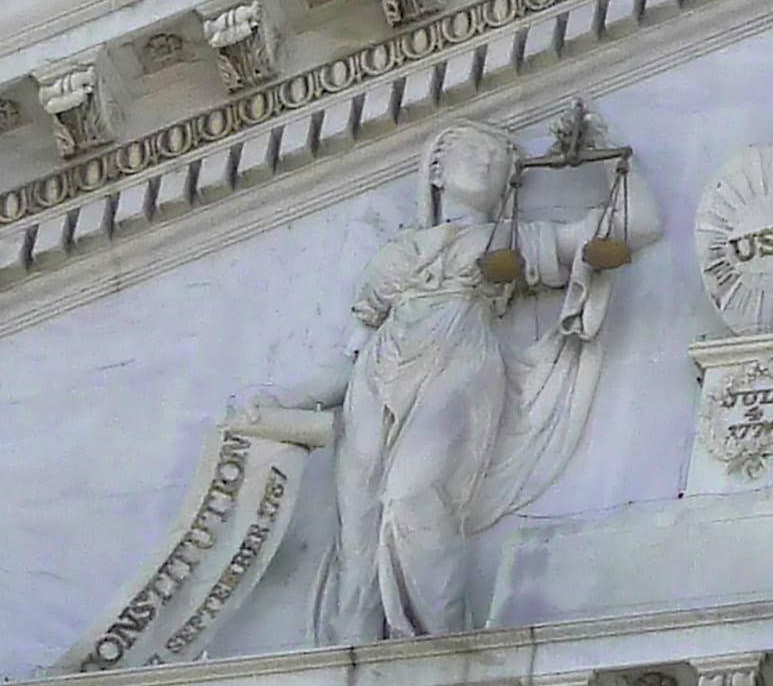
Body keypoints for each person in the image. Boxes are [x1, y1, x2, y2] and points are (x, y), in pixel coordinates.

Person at [246, 115, 643, 642]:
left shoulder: (508, 240)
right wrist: (284, 399)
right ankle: (351, 649)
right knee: (359, 531)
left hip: (458, 365)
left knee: (413, 497)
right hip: (376, 377)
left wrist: (609, 150)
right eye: (474, 151)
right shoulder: (395, 256)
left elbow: (637, 227)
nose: (488, 161)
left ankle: (436, 642)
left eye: (500, 159)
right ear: (435, 168)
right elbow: (352, 350)